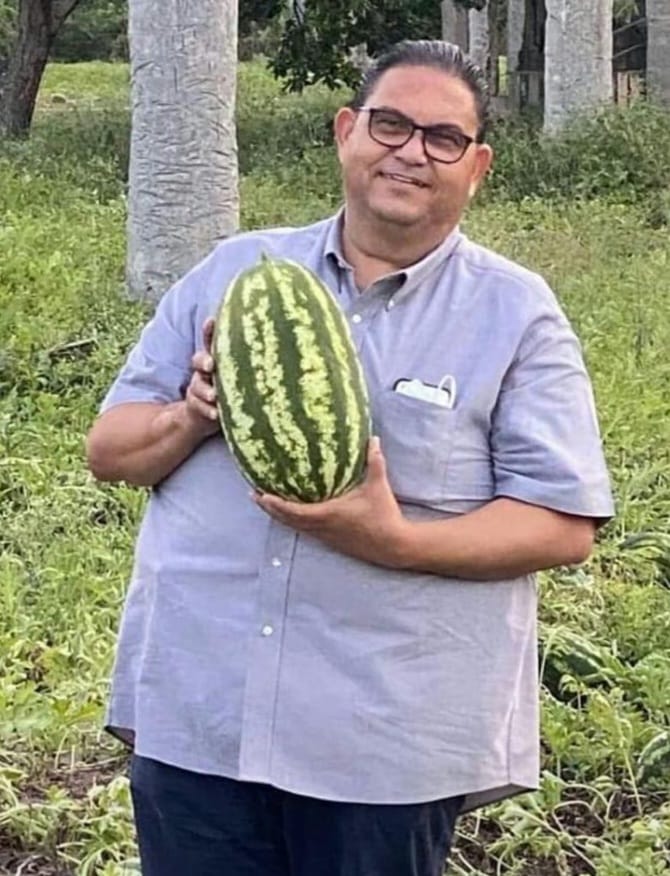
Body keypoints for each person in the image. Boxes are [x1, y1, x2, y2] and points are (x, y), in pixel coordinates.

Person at [86, 39, 615, 876]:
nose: (411, 152)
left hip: (381, 749)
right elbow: (109, 450)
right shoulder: (237, 273)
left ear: (477, 167)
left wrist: (391, 539)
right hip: (201, 719)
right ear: (346, 132)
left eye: (443, 138)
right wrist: (194, 413)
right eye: (390, 124)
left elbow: (562, 523)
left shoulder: (516, 314)